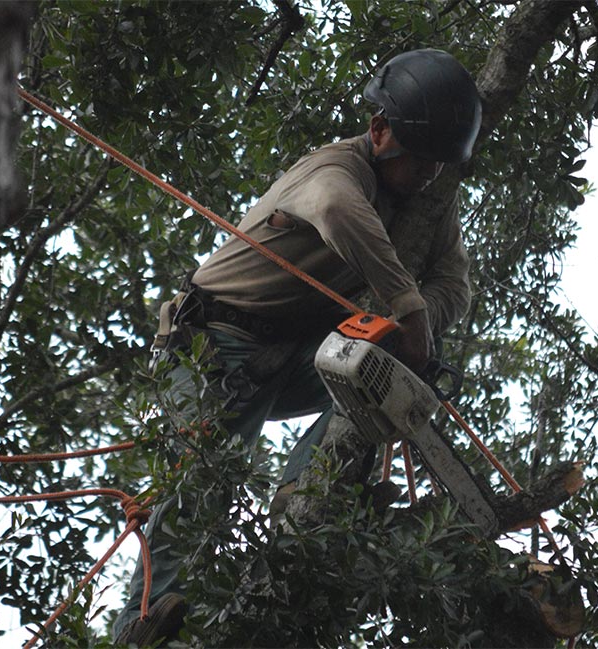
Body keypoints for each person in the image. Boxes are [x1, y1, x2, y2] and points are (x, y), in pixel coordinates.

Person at [113, 48, 482, 646]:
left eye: (440, 162)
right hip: (213, 344)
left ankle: (304, 492)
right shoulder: (335, 168)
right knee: (209, 480)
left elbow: (454, 284)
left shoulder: (429, 203)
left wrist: (412, 323)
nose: (430, 174)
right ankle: (143, 622)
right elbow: (337, 211)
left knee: (378, 373)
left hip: (293, 354)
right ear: (379, 128)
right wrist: (407, 307)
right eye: (420, 158)